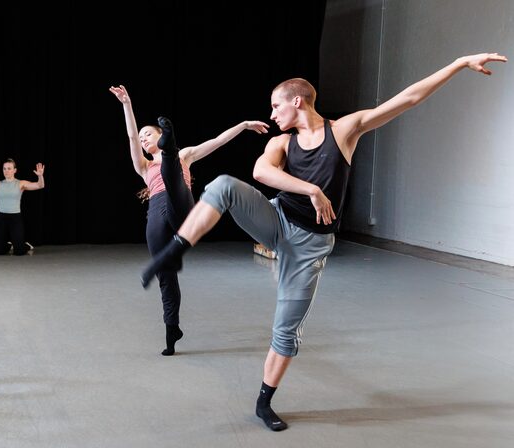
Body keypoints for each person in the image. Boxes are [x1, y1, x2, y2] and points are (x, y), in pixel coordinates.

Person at [140, 52, 507, 431]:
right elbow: (260, 172)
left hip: (310, 248)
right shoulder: (281, 143)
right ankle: (177, 247)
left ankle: (264, 403)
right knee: (223, 186)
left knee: (286, 331)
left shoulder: (345, 130)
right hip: (278, 220)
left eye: (275, 105)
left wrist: (459, 63)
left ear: (297, 101)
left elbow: (408, 99)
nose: (272, 114)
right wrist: (311, 188)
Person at [109, 85, 268, 355]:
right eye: (143, 137)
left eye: (149, 134)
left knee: (174, 178)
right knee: (165, 274)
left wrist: (242, 125)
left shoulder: (186, 155)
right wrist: (126, 104)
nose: (144, 138)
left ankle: (169, 147)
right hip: (156, 213)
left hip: (181, 204)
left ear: (160, 136)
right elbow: (130, 137)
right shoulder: (144, 166)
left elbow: (216, 142)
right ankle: (172, 329)